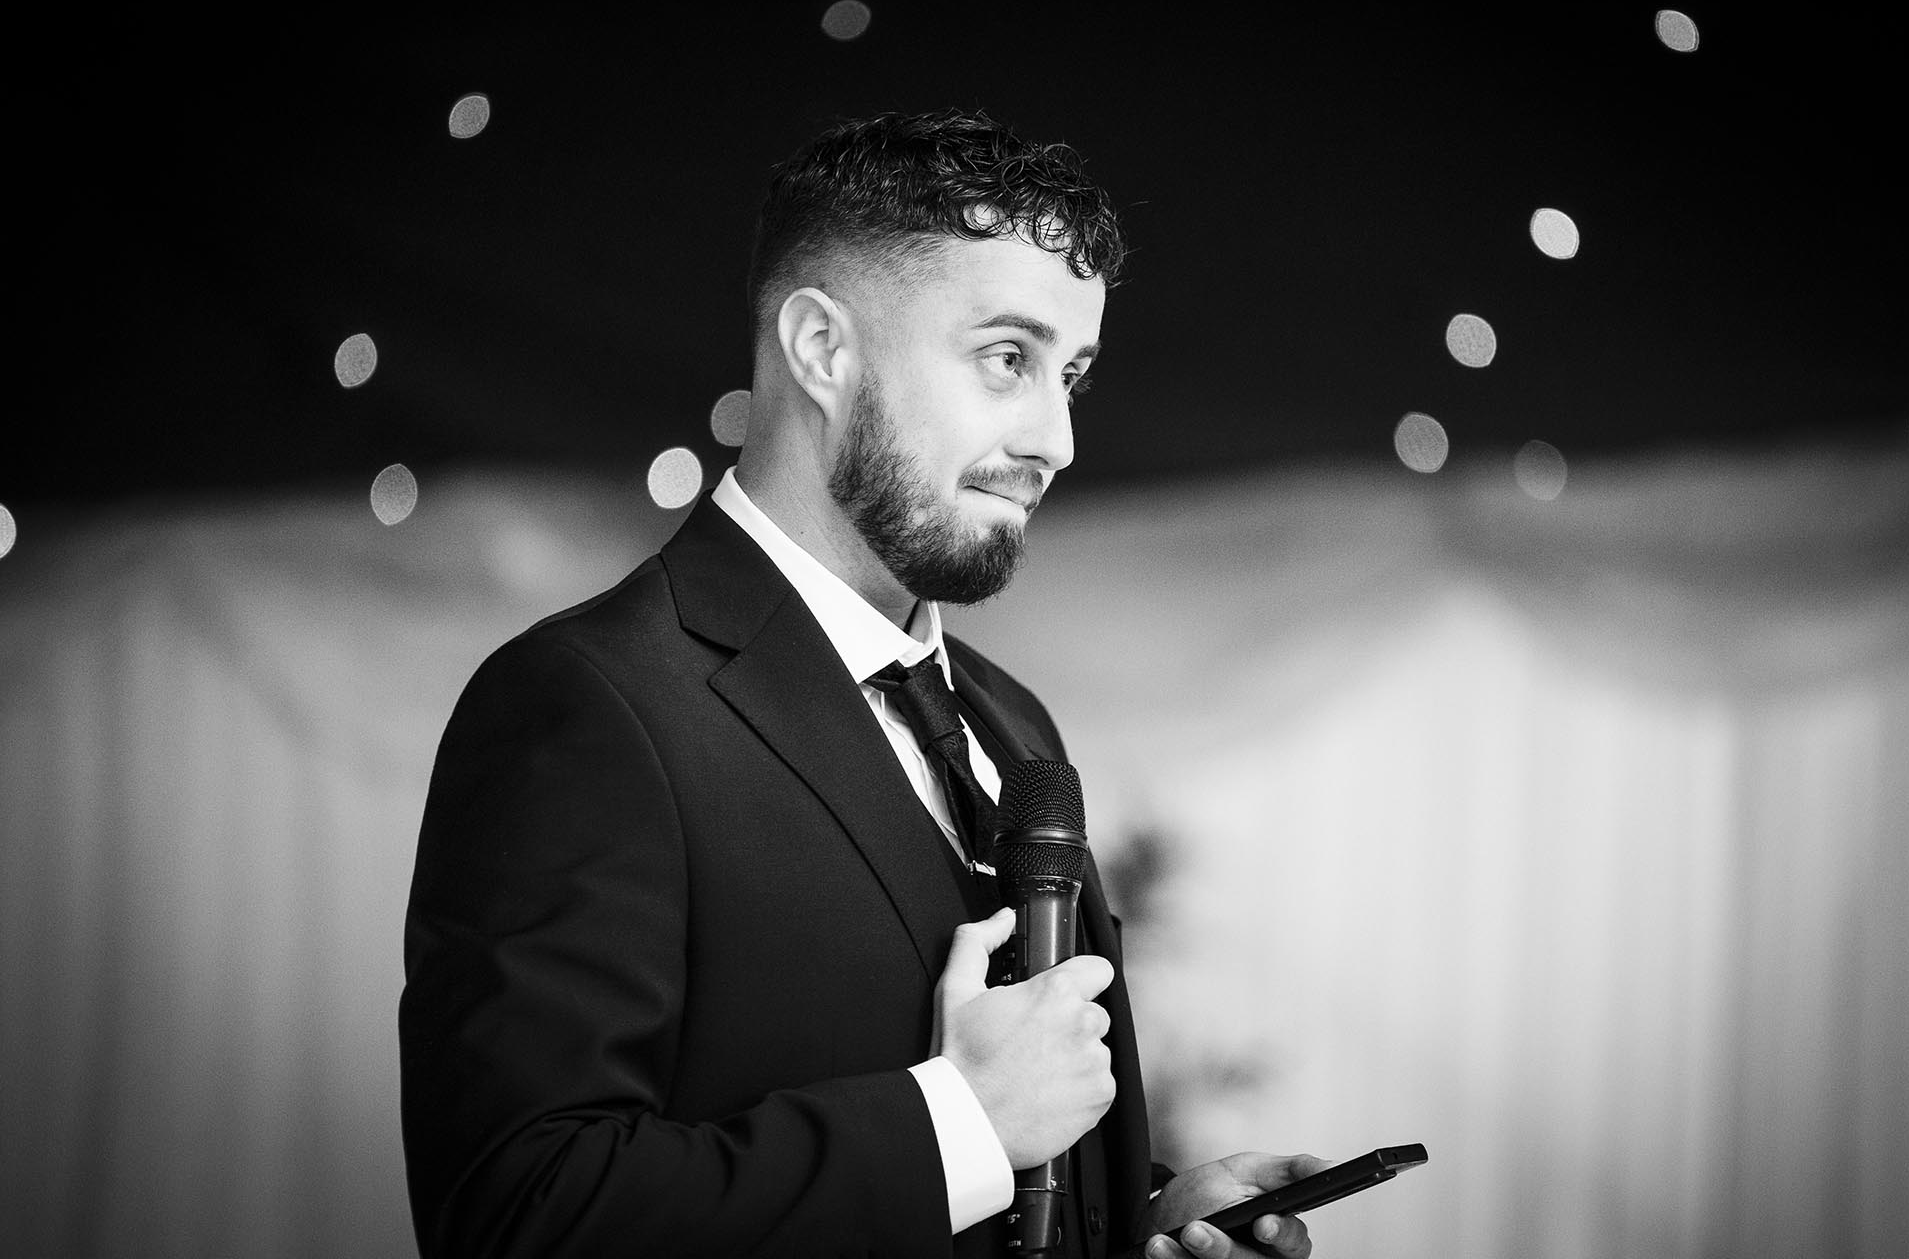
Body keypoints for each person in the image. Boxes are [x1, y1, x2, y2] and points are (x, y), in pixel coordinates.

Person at [399, 109, 1325, 1258]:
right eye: (1007, 357)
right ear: (822, 349)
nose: (1058, 438)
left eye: (1071, 374)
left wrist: (1133, 1216)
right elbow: (522, 1212)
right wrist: (961, 1124)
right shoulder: (587, 702)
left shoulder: (1005, 715)